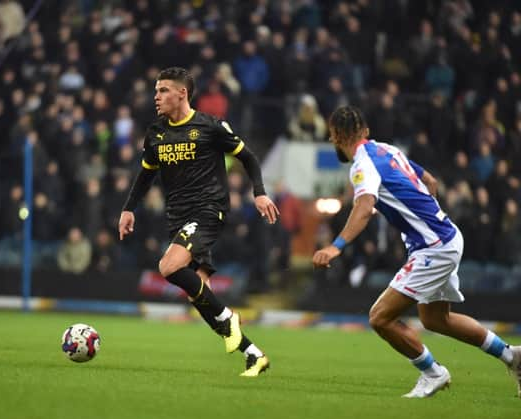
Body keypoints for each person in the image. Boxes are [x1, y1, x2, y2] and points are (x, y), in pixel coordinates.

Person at [312, 105, 521, 398]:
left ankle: (433, 373)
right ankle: (513, 357)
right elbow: (430, 180)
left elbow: (363, 207)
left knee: (379, 317)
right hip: (445, 236)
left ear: (335, 135)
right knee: (436, 320)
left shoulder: (362, 165)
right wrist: (425, 215)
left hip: (433, 247)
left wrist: (336, 247)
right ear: (366, 131)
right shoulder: (387, 150)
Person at [118, 67, 279, 377]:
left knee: (168, 267)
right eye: (156, 90)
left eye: (163, 90)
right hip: (177, 218)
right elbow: (146, 174)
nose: (156, 96)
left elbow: (249, 157)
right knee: (201, 295)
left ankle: (230, 319)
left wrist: (259, 193)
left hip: (208, 210)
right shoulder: (156, 133)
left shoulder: (210, 126)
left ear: (182, 93)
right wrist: (129, 209)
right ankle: (253, 354)